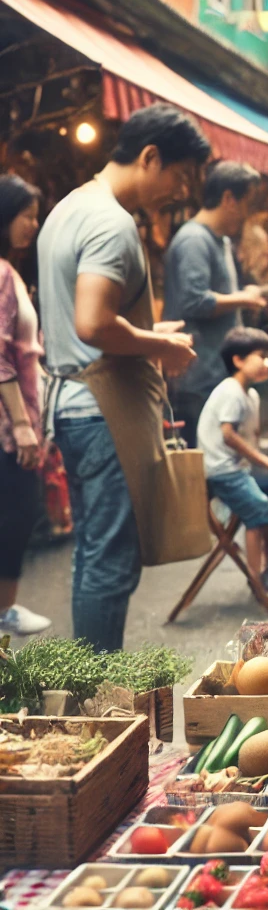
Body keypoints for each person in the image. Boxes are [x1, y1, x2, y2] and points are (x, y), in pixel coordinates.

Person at [38, 104, 209, 652]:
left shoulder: (71, 207)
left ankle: (89, 683)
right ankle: (101, 694)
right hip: (101, 407)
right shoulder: (112, 223)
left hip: (71, 399)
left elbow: (79, 314)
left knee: (93, 552)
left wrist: (146, 328)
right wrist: (159, 343)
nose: (180, 191)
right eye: (180, 175)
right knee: (110, 560)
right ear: (150, 157)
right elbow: (91, 323)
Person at [163, 161, 267, 447]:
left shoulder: (219, 241)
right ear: (228, 199)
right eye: (246, 202)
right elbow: (194, 300)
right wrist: (243, 299)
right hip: (196, 376)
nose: (248, 213)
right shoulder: (194, 239)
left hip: (214, 372)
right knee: (201, 464)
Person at [198, 327, 268, 606]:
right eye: (261, 356)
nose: (267, 363)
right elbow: (229, 436)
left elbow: (249, 438)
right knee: (259, 507)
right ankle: (258, 578)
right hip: (222, 470)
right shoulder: (231, 391)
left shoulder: (250, 395)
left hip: (241, 469)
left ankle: (265, 556)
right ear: (238, 360)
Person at [0, 175, 51, 634]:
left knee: (18, 514)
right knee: (16, 513)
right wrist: (21, 425)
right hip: (8, 425)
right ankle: (4, 613)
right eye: (27, 215)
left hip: (20, 418)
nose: (33, 225)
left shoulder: (9, 269)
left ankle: (6, 610)